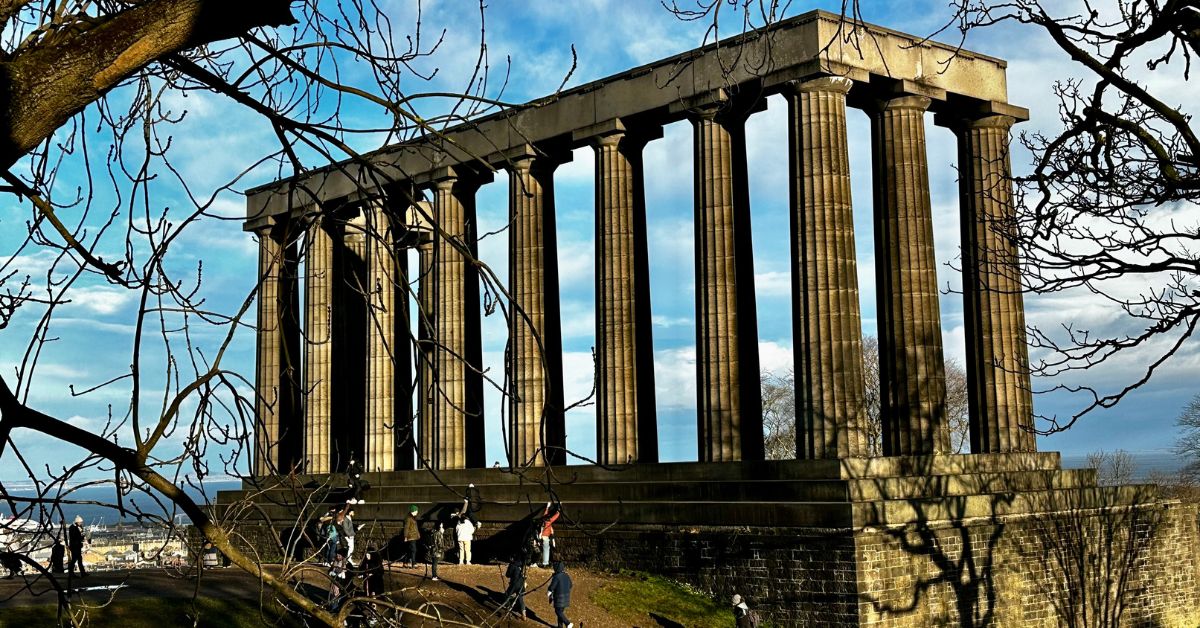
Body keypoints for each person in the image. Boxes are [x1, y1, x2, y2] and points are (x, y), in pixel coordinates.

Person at [548, 561, 574, 628]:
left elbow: (552, 587)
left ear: (556, 568)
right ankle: (560, 626)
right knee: (560, 612)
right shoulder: (566, 575)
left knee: (558, 612)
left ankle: (568, 623)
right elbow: (570, 585)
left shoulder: (556, 577)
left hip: (559, 597)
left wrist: (549, 592)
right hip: (567, 597)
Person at [538, 501, 560, 567]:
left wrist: (547, 507)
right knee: (546, 549)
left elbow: (545, 514)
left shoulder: (544, 521)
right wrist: (558, 509)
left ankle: (544, 562)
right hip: (546, 537)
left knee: (545, 549)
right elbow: (556, 515)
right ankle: (545, 562)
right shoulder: (549, 521)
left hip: (542, 536)